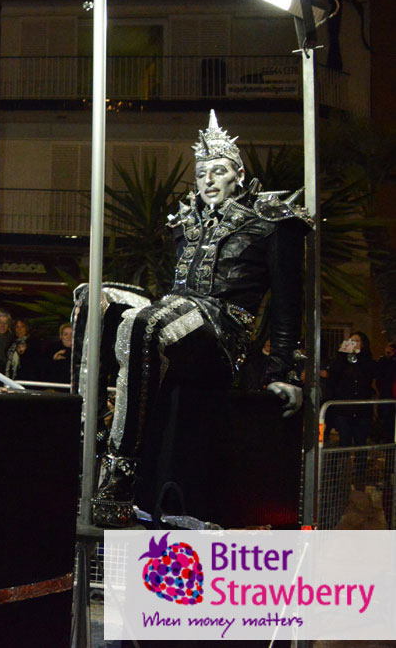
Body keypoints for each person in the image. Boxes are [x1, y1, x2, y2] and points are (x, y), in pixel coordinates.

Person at [89, 111, 311, 526]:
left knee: (146, 323)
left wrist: (286, 371)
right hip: (180, 320)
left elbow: (286, 303)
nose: (209, 180)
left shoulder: (270, 220)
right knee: (100, 304)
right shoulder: (185, 222)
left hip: (224, 332)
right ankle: (92, 436)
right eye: (203, 173)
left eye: (220, 171)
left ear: (238, 175)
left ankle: (122, 467)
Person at [322, 331, 375, 447]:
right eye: (351, 341)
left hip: (362, 410)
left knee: (361, 442)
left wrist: (359, 356)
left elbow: (370, 373)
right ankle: (343, 463)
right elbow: (334, 374)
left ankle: (361, 464)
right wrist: (343, 353)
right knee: (344, 441)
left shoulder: (367, 359)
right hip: (344, 409)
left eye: (356, 341)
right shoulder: (343, 360)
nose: (353, 344)